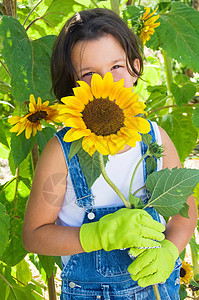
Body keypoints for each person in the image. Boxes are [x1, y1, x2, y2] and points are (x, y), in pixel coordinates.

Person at [22, 8, 197, 300]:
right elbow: (34, 235)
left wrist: (169, 250)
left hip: (159, 290)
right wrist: (97, 235)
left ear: (136, 68)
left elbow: (184, 212)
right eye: (89, 73)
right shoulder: (63, 153)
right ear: (72, 86)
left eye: (116, 67)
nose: (107, 83)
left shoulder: (154, 138)